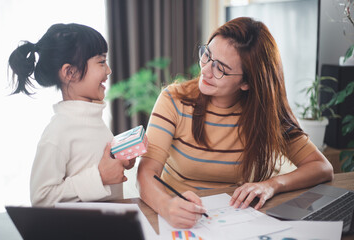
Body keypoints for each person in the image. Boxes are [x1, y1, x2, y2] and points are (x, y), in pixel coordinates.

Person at [137, 17, 334, 229]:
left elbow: (322, 167)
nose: (205, 70)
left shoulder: (265, 113)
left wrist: (272, 185)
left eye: (220, 68)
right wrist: (167, 206)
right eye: (207, 55)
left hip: (239, 221)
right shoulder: (174, 100)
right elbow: (146, 173)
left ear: (247, 82)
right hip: (181, 218)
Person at [8, 23, 135, 207]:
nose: (108, 70)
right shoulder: (57, 132)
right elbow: (41, 198)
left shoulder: (94, 120)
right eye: (101, 62)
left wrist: (120, 161)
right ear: (70, 72)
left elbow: (90, 163)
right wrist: (100, 177)